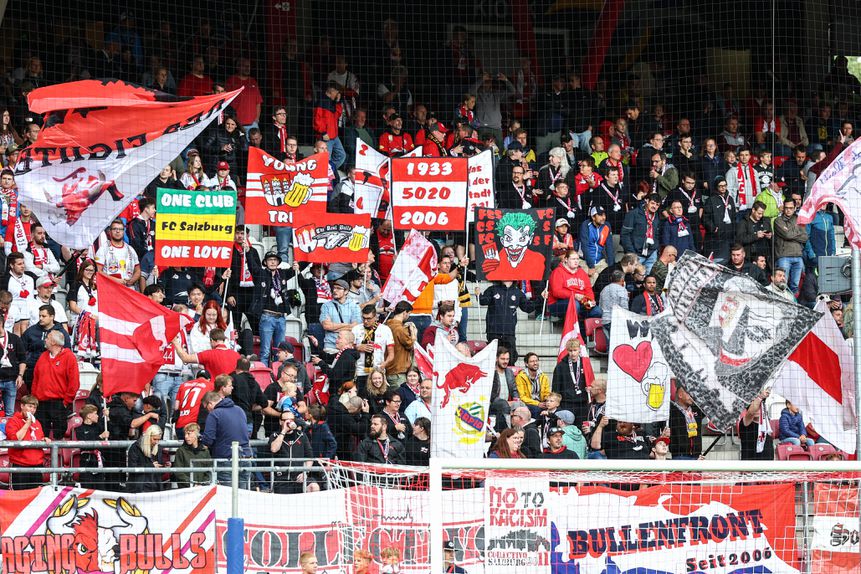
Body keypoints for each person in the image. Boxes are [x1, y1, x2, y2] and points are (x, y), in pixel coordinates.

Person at [31, 329, 79, 439]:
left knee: (59, 435)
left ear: (53, 342)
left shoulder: (69, 357)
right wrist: (34, 399)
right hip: (42, 403)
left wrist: (66, 402)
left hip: (59, 403)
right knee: (41, 435)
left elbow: (74, 382)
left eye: (47, 338)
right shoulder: (43, 356)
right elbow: (36, 379)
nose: (45, 340)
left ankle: (59, 451)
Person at [200, 390, 253, 486]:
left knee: (227, 492)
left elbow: (208, 440)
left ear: (210, 403)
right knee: (242, 492)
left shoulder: (214, 414)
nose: (207, 410)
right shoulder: (239, 410)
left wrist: (201, 440)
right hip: (245, 456)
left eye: (206, 407)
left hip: (225, 458)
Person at [479, 281, 532, 362]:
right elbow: (483, 301)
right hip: (493, 332)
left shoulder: (517, 292)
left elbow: (527, 308)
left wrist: (541, 298)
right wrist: (478, 295)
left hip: (509, 333)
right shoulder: (492, 289)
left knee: (510, 359)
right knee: (493, 359)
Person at [5, 395, 49, 489]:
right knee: (19, 496)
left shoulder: (37, 423)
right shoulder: (13, 421)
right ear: (22, 406)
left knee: (36, 496)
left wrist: (44, 439)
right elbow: (15, 440)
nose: (32, 410)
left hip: (37, 466)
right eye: (30, 406)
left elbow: (38, 438)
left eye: (34, 407)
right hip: (20, 466)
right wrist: (27, 424)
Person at [269, 411, 314, 493]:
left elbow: (309, 457)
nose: (289, 422)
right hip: (282, 479)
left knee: (314, 487)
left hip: (298, 477)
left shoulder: (301, 435)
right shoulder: (275, 435)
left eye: (292, 420)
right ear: (280, 422)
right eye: (286, 420)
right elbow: (274, 449)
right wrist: (284, 431)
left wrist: (305, 472)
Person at [258, 252, 291, 366]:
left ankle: (278, 374)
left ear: (278, 262)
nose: (272, 262)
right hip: (267, 316)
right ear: (265, 262)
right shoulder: (261, 273)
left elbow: (299, 267)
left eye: (275, 260)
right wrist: (247, 250)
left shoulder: (282, 273)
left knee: (280, 351)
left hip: (281, 317)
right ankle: (264, 375)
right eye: (270, 260)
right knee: (265, 351)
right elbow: (252, 266)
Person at [546, 250, 599, 319]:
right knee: (574, 304)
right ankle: (572, 325)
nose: (576, 261)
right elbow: (556, 292)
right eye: (573, 259)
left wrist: (591, 300)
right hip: (558, 303)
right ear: (566, 259)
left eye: (577, 259)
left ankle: (581, 324)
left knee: (597, 311)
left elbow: (588, 289)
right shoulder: (558, 272)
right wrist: (574, 295)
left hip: (580, 302)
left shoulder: (582, 272)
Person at [351, 304, 394, 387]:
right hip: (360, 372)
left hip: (378, 372)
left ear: (375, 317)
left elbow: (391, 354)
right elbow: (348, 349)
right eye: (363, 318)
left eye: (369, 319)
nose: (365, 321)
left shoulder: (385, 330)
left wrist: (385, 364)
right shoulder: (356, 329)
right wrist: (358, 347)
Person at [174, 328, 241, 380]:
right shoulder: (237, 355)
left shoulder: (208, 354)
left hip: (213, 390)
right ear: (224, 339)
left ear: (211, 340)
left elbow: (185, 358)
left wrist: (175, 342)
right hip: (231, 390)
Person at [773, 198, 809, 295]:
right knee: (782, 285)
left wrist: (790, 233)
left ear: (795, 208)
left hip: (798, 256)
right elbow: (787, 235)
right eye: (786, 208)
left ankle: (793, 302)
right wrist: (797, 232)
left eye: (791, 208)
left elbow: (805, 237)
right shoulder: (778, 221)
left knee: (795, 286)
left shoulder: (799, 220)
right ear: (783, 208)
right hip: (784, 256)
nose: (788, 210)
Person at [621, 193, 662, 272]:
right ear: (647, 201)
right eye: (652, 203)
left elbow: (657, 234)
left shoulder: (657, 216)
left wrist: (655, 249)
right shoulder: (633, 213)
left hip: (651, 254)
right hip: (636, 254)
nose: (654, 206)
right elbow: (625, 235)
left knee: (648, 277)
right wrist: (632, 253)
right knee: (635, 277)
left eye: (657, 205)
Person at [552, 338, 590, 424]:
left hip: (582, 403)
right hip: (567, 403)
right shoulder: (560, 366)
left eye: (575, 350)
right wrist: (558, 405)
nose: (573, 353)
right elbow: (556, 387)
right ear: (567, 350)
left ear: (579, 349)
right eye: (570, 351)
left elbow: (590, 380)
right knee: (567, 428)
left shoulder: (585, 364)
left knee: (581, 428)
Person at [95, 219, 141, 288]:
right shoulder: (103, 249)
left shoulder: (130, 249)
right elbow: (98, 271)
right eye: (115, 229)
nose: (118, 231)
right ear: (110, 231)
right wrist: (115, 280)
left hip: (128, 288)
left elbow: (138, 270)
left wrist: (131, 280)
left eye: (120, 229)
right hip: (110, 288)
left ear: (123, 231)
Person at [702, 176, 736, 263]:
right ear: (716, 187)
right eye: (720, 186)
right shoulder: (711, 200)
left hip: (729, 234)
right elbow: (705, 218)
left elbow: (734, 216)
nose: (723, 188)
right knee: (717, 260)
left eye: (725, 185)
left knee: (728, 259)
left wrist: (733, 229)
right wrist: (713, 228)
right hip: (716, 236)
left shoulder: (730, 199)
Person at [313, 83, 346, 169]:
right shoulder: (321, 102)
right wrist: (323, 132)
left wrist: (338, 102)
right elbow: (317, 120)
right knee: (325, 159)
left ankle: (330, 170)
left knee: (341, 155)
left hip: (334, 136)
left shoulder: (333, 102)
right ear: (332, 91)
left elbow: (337, 115)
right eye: (337, 93)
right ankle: (326, 172)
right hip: (325, 136)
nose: (338, 95)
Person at [668, 385, 705, 460]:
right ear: (680, 395)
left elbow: (708, 405)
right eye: (689, 393)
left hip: (697, 455)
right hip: (680, 456)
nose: (692, 396)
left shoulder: (697, 410)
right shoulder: (671, 410)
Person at [385, 301, 417, 387]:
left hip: (388, 370)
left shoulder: (386, 325)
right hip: (397, 372)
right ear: (404, 312)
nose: (408, 316)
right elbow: (410, 344)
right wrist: (412, 332)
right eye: (409, 314)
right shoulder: (399, 329)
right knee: (399, 395)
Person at [126, 425, 165, 493]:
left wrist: (165, 466)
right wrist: (151, 466)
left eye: (158, 439)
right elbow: (132, 468)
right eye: (155, 439)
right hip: (139, 488)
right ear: (148, 437)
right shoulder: (135, 447)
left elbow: (159, 470)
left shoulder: (158, 448)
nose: (157, 442)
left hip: (154, 487)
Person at [739, 388, 774, 460]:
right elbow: (751, 412)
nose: (757, 408)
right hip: (751, 463)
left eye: (760, 406)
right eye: (756, 405)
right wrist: (760, 397)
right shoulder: (745, 421)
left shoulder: (766, 423)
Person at [173, 422, 211, 488]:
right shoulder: (181, 451)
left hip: (202, 489)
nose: (186, 436)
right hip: (186, 489)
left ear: (196, 435)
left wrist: (202, 484)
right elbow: (178, 472)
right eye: (185, 434)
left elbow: (209, 471)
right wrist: (192, 484)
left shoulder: (205, 451)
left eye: (189, 434)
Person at [0, 321, 26, 416]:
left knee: (10, 413)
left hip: (11, 380)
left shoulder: (14, 339)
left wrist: (20, 375)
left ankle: (9, 426)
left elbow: (22, 359)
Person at [514, 353, 550, 418]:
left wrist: (547, 401)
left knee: (554, 409)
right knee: (537, 410)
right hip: (527, 403)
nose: (535, 363)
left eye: (536, 361)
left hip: (541, 402)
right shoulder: (520, 377)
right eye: (532, 361)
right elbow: (522, 397)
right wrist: (537, 404)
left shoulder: (543, 376)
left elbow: (546, 393)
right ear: (526, 364)